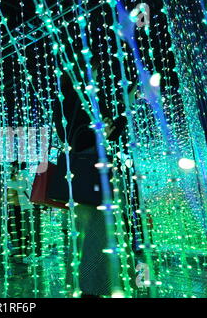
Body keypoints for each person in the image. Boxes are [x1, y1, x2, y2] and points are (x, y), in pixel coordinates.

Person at [52, 53, 137, 297]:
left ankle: (92, 285)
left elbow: (106, 133)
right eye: (93, 71)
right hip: (89, 175)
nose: (97, 76)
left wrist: (122, 113)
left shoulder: (86, 98)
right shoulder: (70, 98)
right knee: (95, 235)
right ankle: (91, 287)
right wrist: (101, 130)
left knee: (94, 234)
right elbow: (73, 137)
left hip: (92, 174)